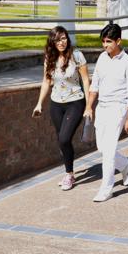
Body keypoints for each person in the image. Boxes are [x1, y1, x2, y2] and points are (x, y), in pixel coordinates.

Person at [33, 27, 93, 191]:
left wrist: (88, 106)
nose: (62, 42)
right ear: (52, 42)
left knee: (64, 139)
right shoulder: (49, 58)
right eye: (58, 39)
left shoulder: (77, 55)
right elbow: (46, 81)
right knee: (62, 140)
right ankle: (70, 172)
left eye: (64, 38)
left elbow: (86, 81)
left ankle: (68, 175)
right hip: (56, 104)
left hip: (75, 102)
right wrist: (39, 103)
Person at [87, 23, 128, 202]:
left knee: (108, 151)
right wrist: (89, 106)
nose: (105, 45)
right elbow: (95, 84)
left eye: (108, 42)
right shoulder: (102, 58)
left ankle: (106, 189)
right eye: (103, 42)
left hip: (118, 108)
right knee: (102, 148)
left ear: (118, 41)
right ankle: (125, 164)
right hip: (102, 107)